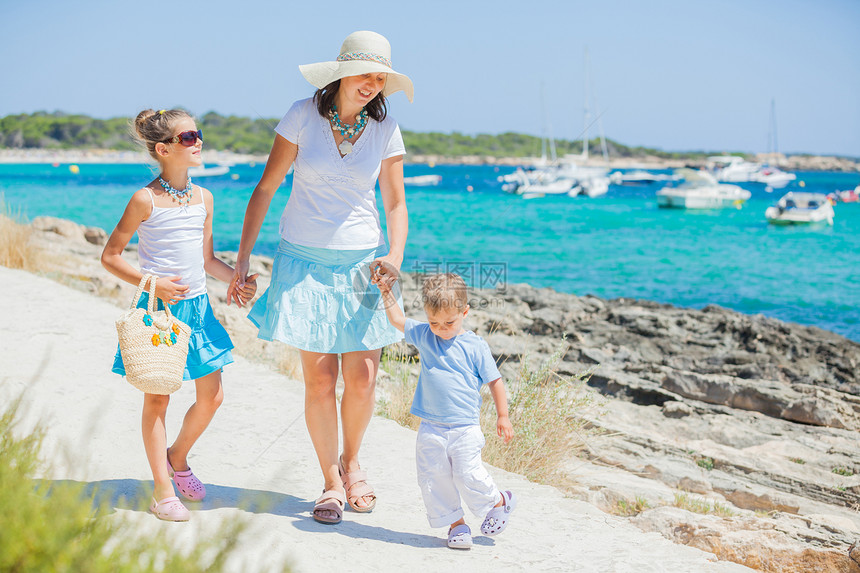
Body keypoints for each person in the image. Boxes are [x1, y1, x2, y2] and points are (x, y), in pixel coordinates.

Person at [226, 31, 412, 525]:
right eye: (367, 74)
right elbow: (266, 189)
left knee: (364, 378)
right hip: (303, 261)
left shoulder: (386, 127)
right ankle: (330, 481)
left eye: (381, 77)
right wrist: (244, 258)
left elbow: (394, 200)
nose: (374, 84)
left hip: (363, 264)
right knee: (321, 378)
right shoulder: (301, 115)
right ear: (340, 73)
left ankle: (353, 462)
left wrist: (394, 255)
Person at [101, 108, 258, 521]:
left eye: (197, 134)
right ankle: (161, 488)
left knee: (213, 396)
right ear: (163, 149)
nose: (198, 142)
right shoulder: (144, 200)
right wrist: (152, 284)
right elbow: (111, 257)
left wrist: (237, 279)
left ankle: (178, 456)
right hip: (159, 313)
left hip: (200, 309)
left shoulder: (204, 198)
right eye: (189, 137)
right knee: (158, 397)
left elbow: (206, 259)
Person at [374, 272, 517, 549]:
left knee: (467, 473)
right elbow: (396, 320)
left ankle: (498, 501)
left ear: (465, 311)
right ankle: (457, 525)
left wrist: (503, 416)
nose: (441, 328)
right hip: (431, 426)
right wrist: (386, 292)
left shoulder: (475, 346)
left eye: (449, 322)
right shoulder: (426, 336)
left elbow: (495, 381)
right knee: (434, 476)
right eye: (434, 321)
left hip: (465, 427)